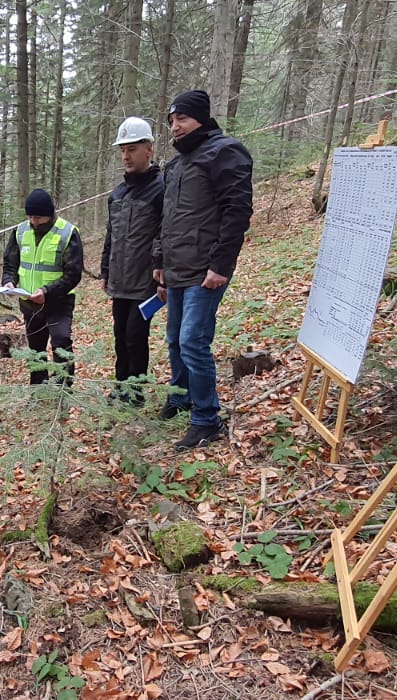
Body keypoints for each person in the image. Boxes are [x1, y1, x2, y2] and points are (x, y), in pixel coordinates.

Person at [155, 90, 253, 448]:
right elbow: (166, 219)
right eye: (171, 121)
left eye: (181, 119)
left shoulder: (225, 151)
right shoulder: (176, 164)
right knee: (175, 340)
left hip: (205, 270)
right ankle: (181, 398)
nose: (175, 127)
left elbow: (237, 211)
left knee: (192, 341)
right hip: (177, 267)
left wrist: (221, 264)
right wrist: (159, 261)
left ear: (200, 118)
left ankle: (206, 419)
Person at [101, 117, 165, 405]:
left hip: (144, 282)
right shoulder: (117, 194)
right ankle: (121, 385)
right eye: (122, 150)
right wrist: (105, 269)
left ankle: (135, 391)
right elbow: (110, 235)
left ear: (148, 149)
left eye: (132, 149)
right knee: (119, 337)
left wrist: (161, 268)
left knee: (135, 337)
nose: (126, 156)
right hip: (119, 280)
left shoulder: (161, 188)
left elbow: (166, 232)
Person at [3, 189, 84, 385]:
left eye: (38, 217)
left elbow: (73, 274)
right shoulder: (20, 232)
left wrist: (47, 292)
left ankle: (63, 387)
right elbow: (10, 263)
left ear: (50, 213)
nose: (34, 221)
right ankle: (38, 388)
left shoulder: (67, 233)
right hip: (29, 304)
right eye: (30, 216)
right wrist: (9, 281)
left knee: (61, 341)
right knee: (35, 349)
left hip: (59, 302)